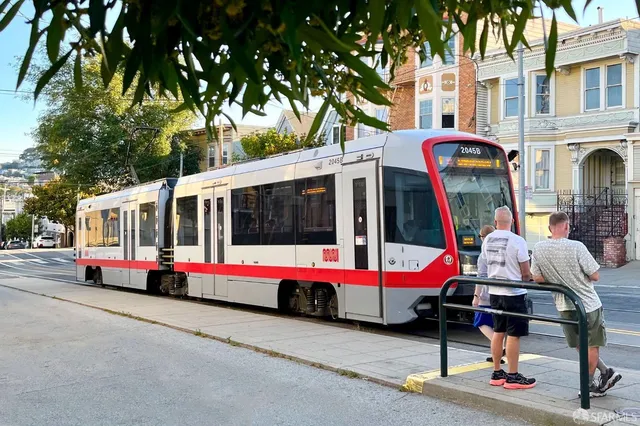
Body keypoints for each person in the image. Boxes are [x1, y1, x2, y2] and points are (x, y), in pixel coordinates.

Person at [531, 211, 622, 398]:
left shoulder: (539, 248)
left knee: (581, 346)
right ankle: (589, 386)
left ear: (550, 228)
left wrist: (557, 278)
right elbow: (595, 275)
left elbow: (537, 277)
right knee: (591, 345)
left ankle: (605, 373)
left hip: (564, 306)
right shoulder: (576, 246)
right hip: (588, 304)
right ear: (566, 226)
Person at [478, 206, 536, 390]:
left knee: (498, 331)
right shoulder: (517, 240)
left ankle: (497, 372)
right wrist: (528, 277)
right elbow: (526, 273)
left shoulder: (487, 240)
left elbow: (486, 264)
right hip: (514, 293)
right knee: (514, 334)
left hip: (495, 293)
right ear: (511, 221)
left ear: (495, 222)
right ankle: (512, 376)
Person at [474, 224, 505, 364]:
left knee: (480, 321)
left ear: (483, 237)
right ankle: (496, 355)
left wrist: (476, 296)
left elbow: (480, 277)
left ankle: (498, 345)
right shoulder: (501, 251)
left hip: (486, 294)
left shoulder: (483, 255)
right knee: (497, 324)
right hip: (501, 292)